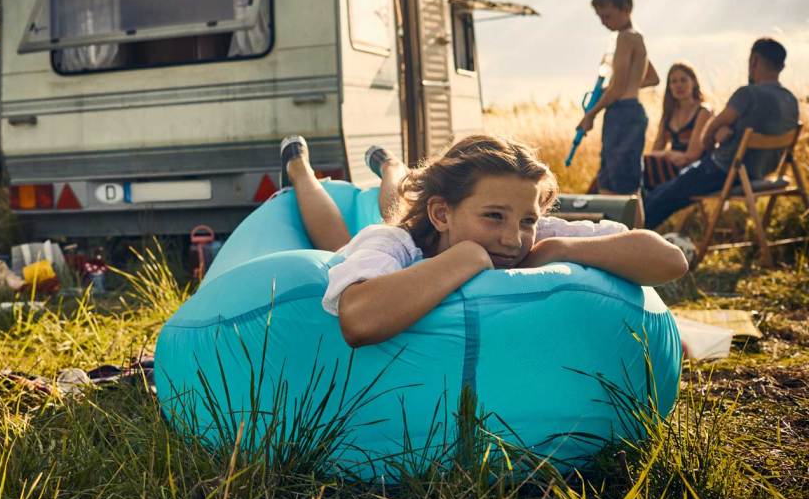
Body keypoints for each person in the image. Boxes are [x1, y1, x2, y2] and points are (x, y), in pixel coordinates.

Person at [280, 134, 688, 348]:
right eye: (493, 216)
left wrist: (558, 248)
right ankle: (300, 168)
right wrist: (468, 257)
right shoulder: (396, 245)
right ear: (442, 214)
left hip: (431, 220)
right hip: (381, 237)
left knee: (403, 199)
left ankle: (389, 162)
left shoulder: (530, 236)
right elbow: (358, 321)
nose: (512, 238)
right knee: (362, 228)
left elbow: (670, 261)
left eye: (528, 219)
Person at [644, 38, 800, 229]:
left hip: (721, 170)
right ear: (781, 65)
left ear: (755, 61)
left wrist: (714, 146)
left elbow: (709, 132)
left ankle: (628, 242)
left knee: (659, 197)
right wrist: (731, 132)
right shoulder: (790, 100)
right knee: (664, 191)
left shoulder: (747, 94)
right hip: (761, 172)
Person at [578, 0, 660, 195]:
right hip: (633, 109)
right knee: (628, 183)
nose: (603, 22)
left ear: (625, 9)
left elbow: (618, 88)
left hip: (622, 113)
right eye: (600, 17)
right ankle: (632, 226)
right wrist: (629, 84)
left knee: (615, 184)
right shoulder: (637, 37)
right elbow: (652, 78)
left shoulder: (624, 38)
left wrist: (591, 114)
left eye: (607, 16)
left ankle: (622, 228)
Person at [643, 62, 714, 190]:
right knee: (635, 169)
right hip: (670, 167)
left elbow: (692, 155)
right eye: (673, 82)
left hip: (694, 170)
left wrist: (666, 154)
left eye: (683, 80)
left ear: (693, 82)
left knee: (641, 172)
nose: (679, 85)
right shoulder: (669, 114)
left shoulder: (703, 111)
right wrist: (669, 154)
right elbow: (655, 151)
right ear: (669, 87)